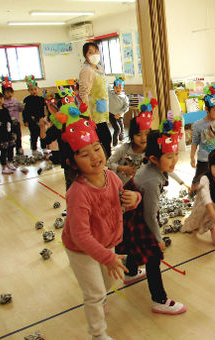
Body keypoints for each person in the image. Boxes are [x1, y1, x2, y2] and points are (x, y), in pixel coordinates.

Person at [61, 111, 141, 340]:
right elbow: (79, 235)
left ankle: (100, 299)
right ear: (72, 162)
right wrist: (107, 258)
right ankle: (98, 334)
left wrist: (135, 199)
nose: (95, 156)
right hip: (81, 249)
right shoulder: (78, 192)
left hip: (107, 242)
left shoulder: (111, 176)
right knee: (94, 294)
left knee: (106, 285)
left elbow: (122, 200)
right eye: (84, 154)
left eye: (97, 148)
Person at [115, 117, 186, 315]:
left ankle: (130, 273)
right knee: (153, 258)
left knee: (129, 242)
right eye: (169, 157)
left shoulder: (152, 166)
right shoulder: (152, 181)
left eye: (176, 154)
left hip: (131, 213)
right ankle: (159, 299)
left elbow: (168, 171)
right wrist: (158, 238)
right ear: (154, 159)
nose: (174, 161)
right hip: (138, 216)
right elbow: (149, 214)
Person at [190, 83, 215, 191]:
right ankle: (193, 194)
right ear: (207, 109)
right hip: (204, 159)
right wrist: (191, 157)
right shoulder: (198, 125)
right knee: (198, 179)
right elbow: (194, 142)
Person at [79, 42, 111, 158]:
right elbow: (83, 94)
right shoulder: (87, 70)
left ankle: (106, 163)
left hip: (101, 109)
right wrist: (87, 116)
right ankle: (105, 164)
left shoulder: (99, 68)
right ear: (85, 55)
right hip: (93, 113)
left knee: (105, 138)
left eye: (96, 51)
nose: (94, 54)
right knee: (103, 139)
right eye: (90, 52)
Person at [22, 75, 46, 156]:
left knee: (42, 134)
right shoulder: (26, 99)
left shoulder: (41, 99)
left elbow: (45, 108)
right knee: (34, 135)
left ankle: (44, 147)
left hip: (41, 120)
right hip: (31, 121)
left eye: (35, 89)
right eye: (31, 90)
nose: (34, 91)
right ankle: (34, 149)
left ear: (38, 89)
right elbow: (25, 111)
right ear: (28, 90)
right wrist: (25, 120)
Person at [1, 76, 24, 155]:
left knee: (18, 136)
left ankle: (19, 149)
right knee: (10, 138)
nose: (9, 94)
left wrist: (22, 107)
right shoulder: (3, 102)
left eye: (11, 92)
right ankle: (9, 152)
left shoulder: (15, 100)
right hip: (8, 123)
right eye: (7, 92)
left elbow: (19, 110)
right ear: (3, 93)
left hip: (16, 122)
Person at [108, 75, 129, 147]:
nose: (118, 89)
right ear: (114, 87)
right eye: (116, 87)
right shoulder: (111, 93)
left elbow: (126, 107)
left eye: (120, 87)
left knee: (122, 129)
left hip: (120, 115)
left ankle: (121, 140)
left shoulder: (124, 97)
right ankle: (115, 144)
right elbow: (107, 85)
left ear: (122, 88)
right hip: (111, 115)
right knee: (117, 129)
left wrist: (120, 114)